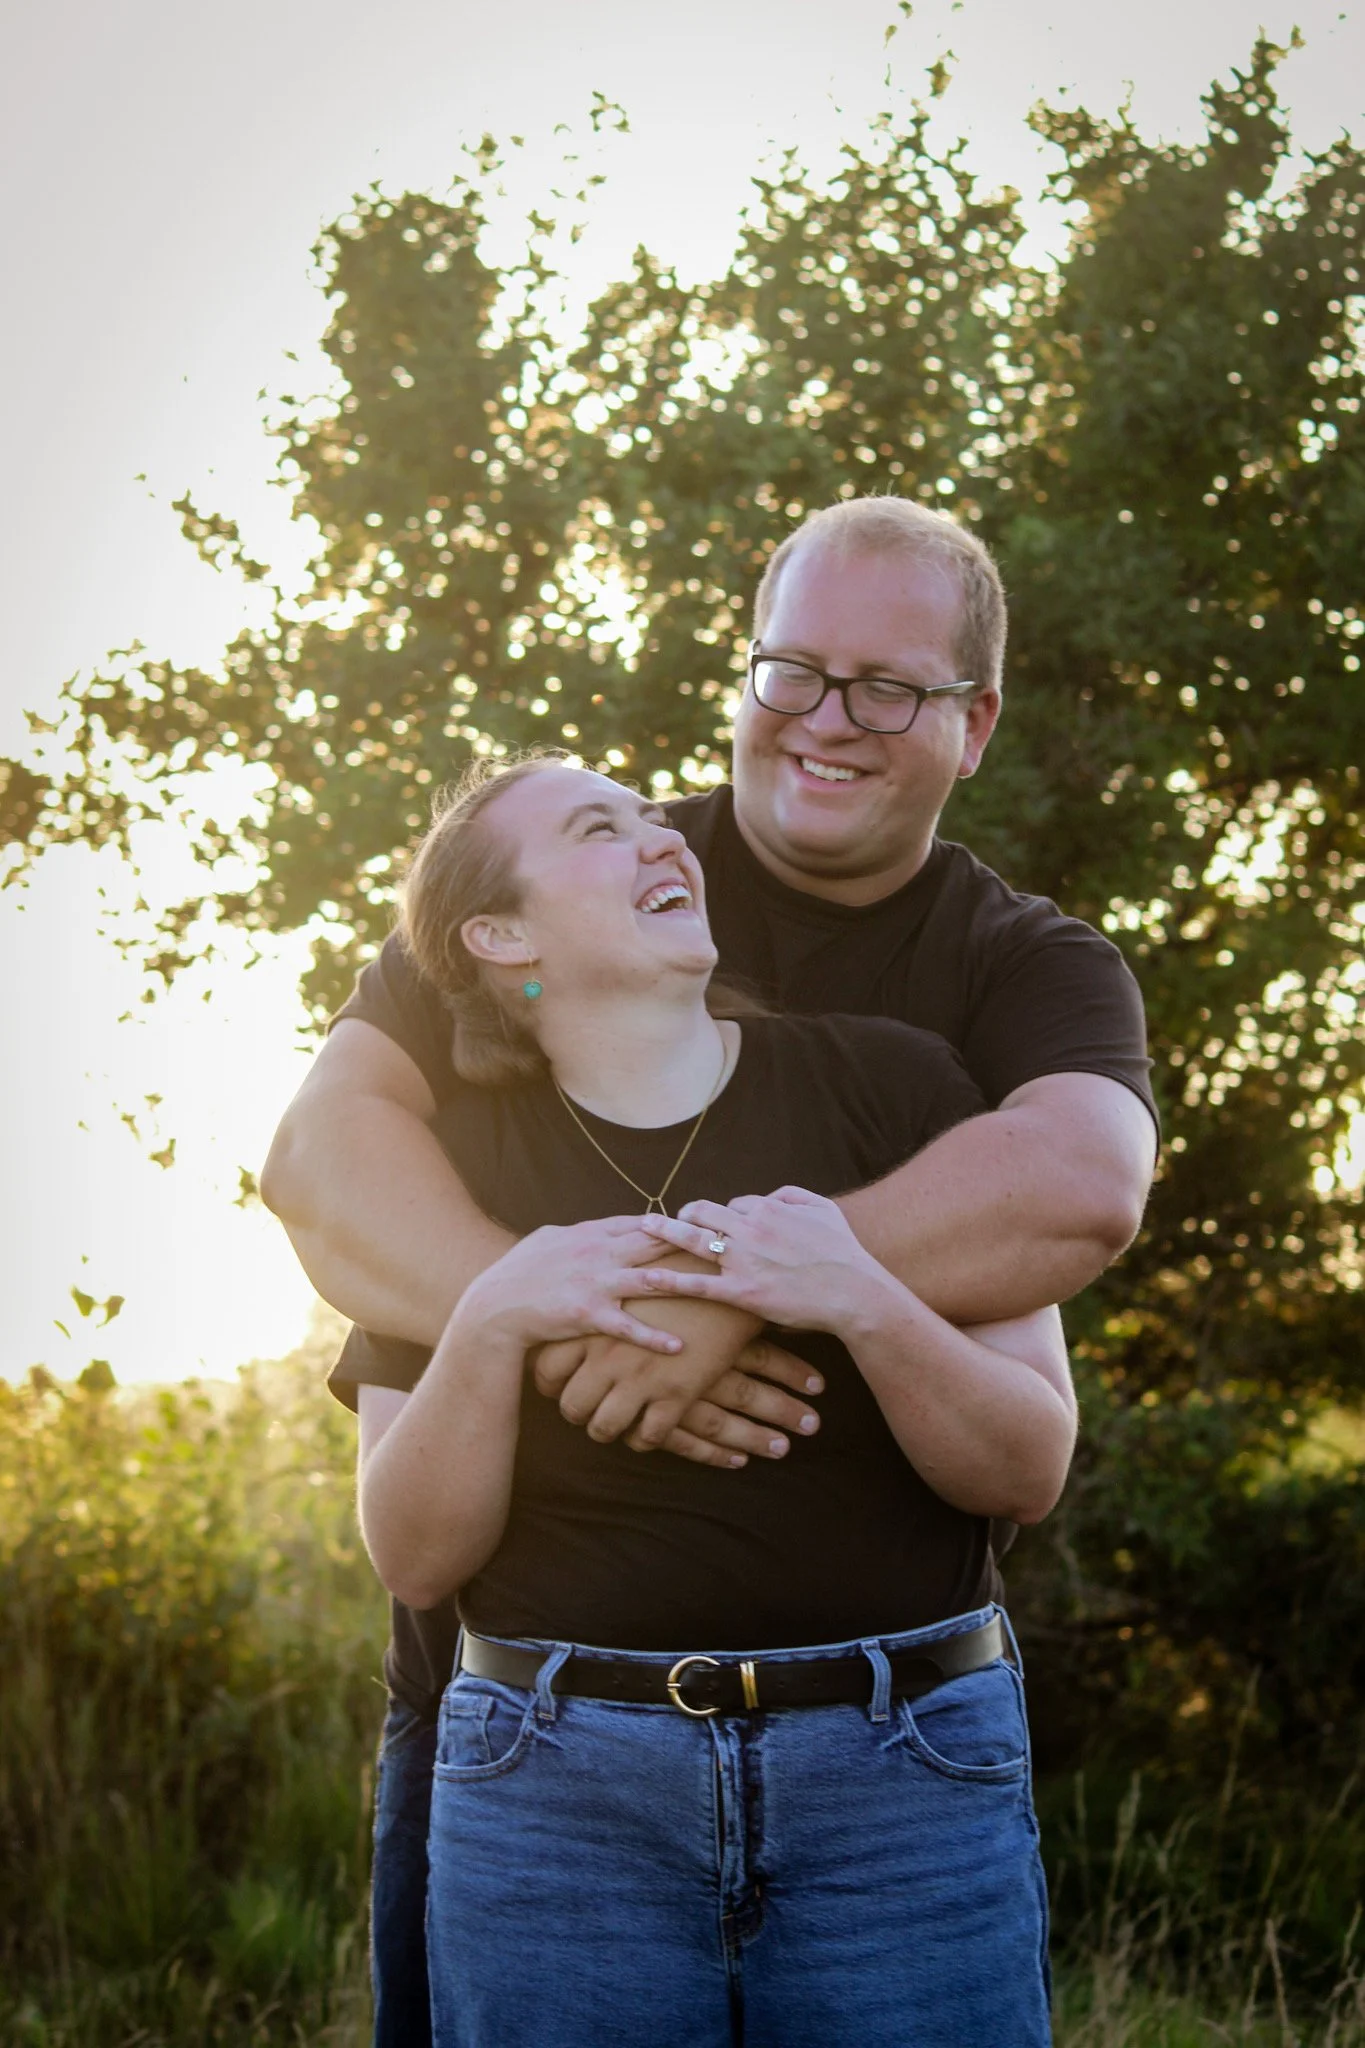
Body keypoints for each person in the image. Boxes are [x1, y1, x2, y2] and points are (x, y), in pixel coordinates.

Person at [262, 494, 1159, 2044]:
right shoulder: (567, 891)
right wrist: (564, 1317)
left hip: (885, 1743)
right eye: (793, 670)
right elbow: (322, 1163)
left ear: (975, 721)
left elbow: (1080, 1187)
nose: (830, 720)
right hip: (528, 1725)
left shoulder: (1003, 977)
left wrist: (724, 1291)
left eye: (890, 688)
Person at [349, 751, 1076, 2046]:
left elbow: (1025, 1467)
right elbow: (412, 1552)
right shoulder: (446, 1171)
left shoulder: (899, 1088)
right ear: (499, 932)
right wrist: (502, 1311)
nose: (666, 839)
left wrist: (854, 1287)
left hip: (904, 1784)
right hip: (556, 1800)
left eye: (655, 818)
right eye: (597, 828)